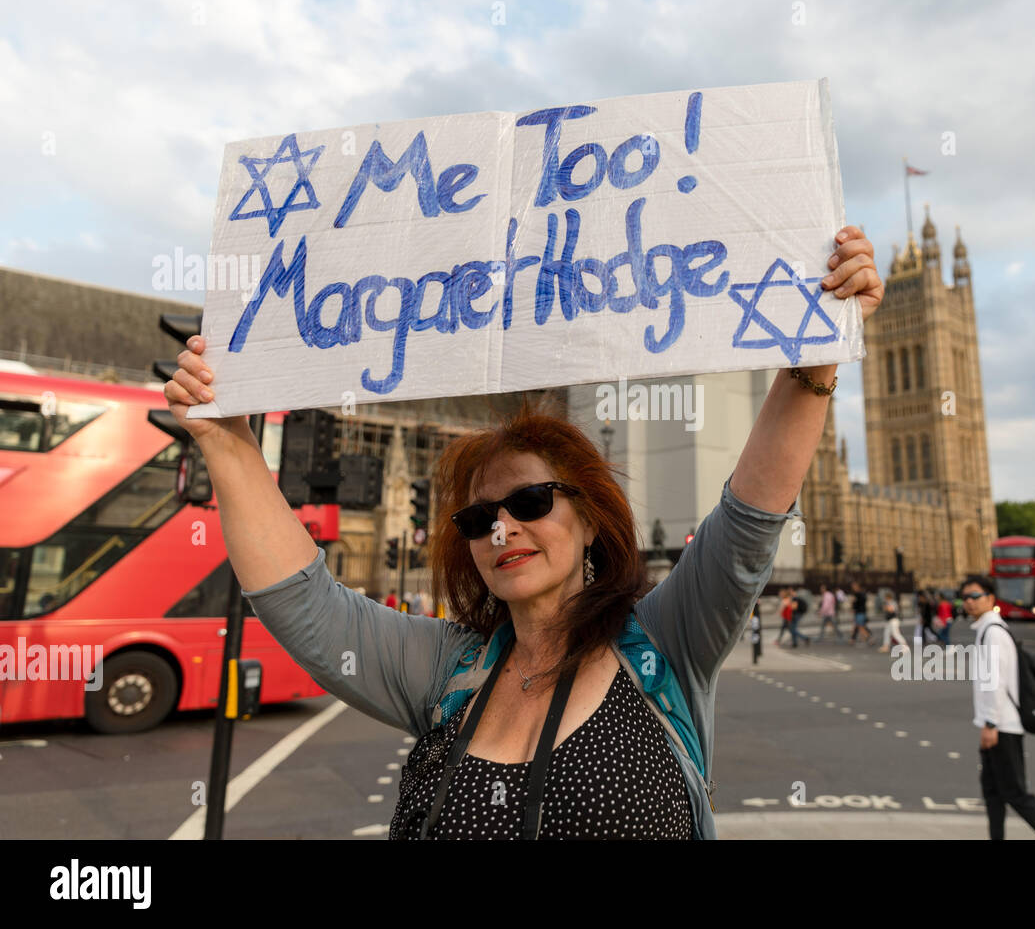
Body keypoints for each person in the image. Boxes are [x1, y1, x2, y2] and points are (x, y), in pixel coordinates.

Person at [160, 224, 885, 841]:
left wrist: (816, 353)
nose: (502, 527)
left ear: (592, 516)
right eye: (479, 518)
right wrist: (227, 443)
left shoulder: (664, 646)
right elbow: (305, 604)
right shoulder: (449, 672)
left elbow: (750, 521)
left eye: (531, 501)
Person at [960, 574, 1035, 841]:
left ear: (990, 598)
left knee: (1016, 794)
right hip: (996, 723)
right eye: (965, 598)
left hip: (1002, 725)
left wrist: (991, 724)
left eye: (975, 596)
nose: (969, 602)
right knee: (993, 793)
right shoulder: (987, 630)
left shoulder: (993, 633)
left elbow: (996, 683)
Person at [849, 581, 872, 646]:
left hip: (860, 612)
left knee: (860, 626)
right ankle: (853, 639)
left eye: (854, 586)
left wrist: (853, 606)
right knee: (858, 626)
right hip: (860, 612)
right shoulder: (862, 594)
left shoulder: (858, 594)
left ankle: (869, 638)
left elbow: (855, 603)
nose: (853, 588)